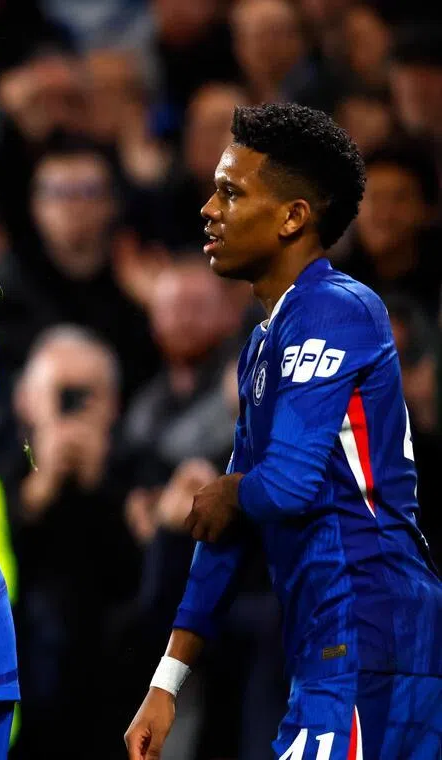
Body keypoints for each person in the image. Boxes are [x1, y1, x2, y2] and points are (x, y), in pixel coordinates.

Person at [125, 103, 442, 759]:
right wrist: (167, 682)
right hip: (331, 643)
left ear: (293, 217)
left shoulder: (339, 307)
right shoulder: (262, 347)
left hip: (372, 628)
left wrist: (230, 490)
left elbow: (287, 484)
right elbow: (226, 529)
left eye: (231, 192)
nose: (209, 209)